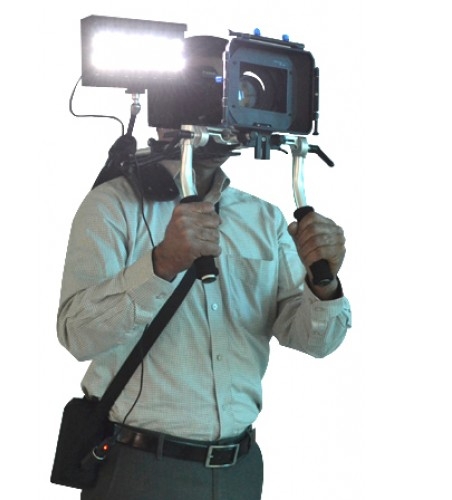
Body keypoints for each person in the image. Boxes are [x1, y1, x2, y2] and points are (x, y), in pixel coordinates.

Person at [57, 35, 352, 500]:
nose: (230, 103)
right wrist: (161, 265)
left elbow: (316, 341)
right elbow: (76, 335)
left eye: (239, 89)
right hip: (140, 469)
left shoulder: (264, 219)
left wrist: (325, 282)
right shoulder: (113, 208)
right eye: (214, 86)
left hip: (239, 471)